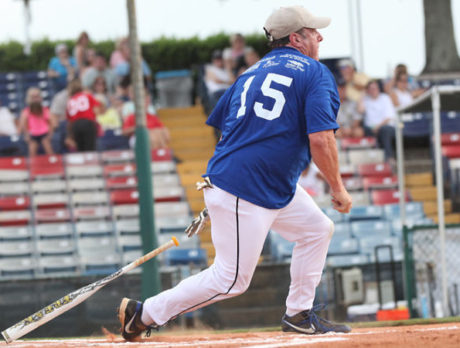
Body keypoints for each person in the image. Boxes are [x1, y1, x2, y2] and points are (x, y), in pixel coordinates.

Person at [117, 5, 352, 341]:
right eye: (314, 31)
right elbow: (321, 138)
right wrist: (338, 188)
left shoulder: (250, 72)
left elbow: (225, 126)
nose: (320, 36)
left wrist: (225, 187)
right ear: (297, 38)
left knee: (317, 229)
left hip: (256, 182)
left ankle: (299, 313)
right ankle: (144, 314)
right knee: (231, 280)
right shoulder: (315, 72)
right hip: (248, 186)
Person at [358, 80, 396, 163]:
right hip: (370, 129)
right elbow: (360, 111)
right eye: (370, 89)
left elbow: (389, 117)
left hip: (385, 127)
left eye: (375, 88)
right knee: (360, 131)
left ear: (379, 89)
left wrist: (378, 127)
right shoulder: (366, 100)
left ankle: (389, 157)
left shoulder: (385, 98)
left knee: (385, 131)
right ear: (367, 90)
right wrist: (362, 96)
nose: (373, 90)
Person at [18, 87, 55, 156]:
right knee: (32, 151)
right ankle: (32, 166)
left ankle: (53, 163)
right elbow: (23, 124)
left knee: (48, 148)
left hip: (44, 134)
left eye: (37, 96)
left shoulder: (45, 110)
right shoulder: (26, 111)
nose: (35, 99)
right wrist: (27, 134)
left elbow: (52, 122)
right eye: (33, 97)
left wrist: (50, 133)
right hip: (33, 134)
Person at [66, 79, 100, 152]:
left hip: (76, 125)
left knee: (80, 149)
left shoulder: (70, 100)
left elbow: (69, 120)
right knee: (90, 148)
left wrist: (70, 134)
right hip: (88, 123)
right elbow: (96, 110)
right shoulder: (87, 95)